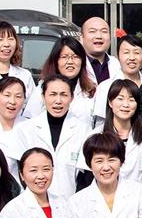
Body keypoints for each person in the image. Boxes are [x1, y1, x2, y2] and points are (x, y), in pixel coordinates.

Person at [19, 75, 92, 204]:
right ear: (43, 97)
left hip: (70, 202)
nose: (58, 100)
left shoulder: (83, 130)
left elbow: (85, 175)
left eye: (64, 95)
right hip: (33, 204)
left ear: (72, 98)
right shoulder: (26, 129)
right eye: (52, 94)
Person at [82, 79, 142, 186]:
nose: (125, 104)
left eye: (131, 100)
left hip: (138, 194)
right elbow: (86, 178)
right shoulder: (95, 136)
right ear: (110, 102)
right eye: (120, 99)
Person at [28, 36, 96, 123]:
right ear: (56, 60)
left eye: (75, 57)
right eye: (64, 57)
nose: (70, 62)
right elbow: (30, 120)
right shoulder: (42, 89)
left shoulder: (91, 90)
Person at [92, 34, 142, 126]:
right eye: (126, 52)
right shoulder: (106, 87)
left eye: (136, 53)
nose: (132, 58)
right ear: (117, 56)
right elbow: (100, 123)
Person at [80, 16, 121, 85]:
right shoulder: (76, 65)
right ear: (81, 38)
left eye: (104, 31)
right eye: (92, 31)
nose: (99, 36)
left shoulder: (118, 64)